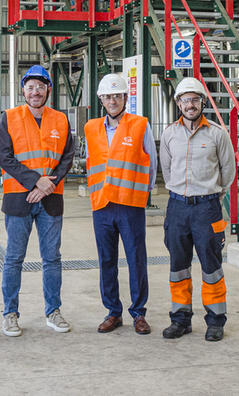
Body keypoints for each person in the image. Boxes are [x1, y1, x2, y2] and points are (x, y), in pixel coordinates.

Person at [0, 65, 74, 337]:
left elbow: (67, 158)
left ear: (48, 90)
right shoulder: (9, 117)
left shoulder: (61, 119)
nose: (35, 92)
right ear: (23, 90)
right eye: (30, 87)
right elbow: (4, 157)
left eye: (41, 87)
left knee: (52, 258)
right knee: (14, 258)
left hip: (51, 199)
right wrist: (35, 181)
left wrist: (48, 184)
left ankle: (53, 311)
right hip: (20, 197)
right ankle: (10, 314)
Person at [159, 77, 235, 342]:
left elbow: (228, 172)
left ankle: (215, 321)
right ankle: (180, 319)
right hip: (177, 207)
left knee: (211, 265)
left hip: (207, 208)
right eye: (184, 100)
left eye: (194, 99)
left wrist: (209, 192)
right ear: (178, 103)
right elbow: (167, 169)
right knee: (178, 266)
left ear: (202, 101)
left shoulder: (217, 133)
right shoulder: (169, 134)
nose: (189, 105)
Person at [84, 73, 156, 335]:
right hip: (102, 204)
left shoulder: (140, 125)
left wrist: (143, 194)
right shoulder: (91, 127)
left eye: (117, 95)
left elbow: (152, 162)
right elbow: (92, 161)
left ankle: (138, 313)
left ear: (126, 98)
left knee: (136, 259)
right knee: (107, 260)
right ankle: (113, 312)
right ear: (101, 99)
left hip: (130, 204)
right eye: (107, 96)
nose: (112, 100)